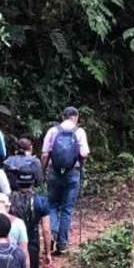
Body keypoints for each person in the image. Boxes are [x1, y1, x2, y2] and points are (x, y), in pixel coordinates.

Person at [41, 107, 89, 254]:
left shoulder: (53, 131)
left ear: (63, 116)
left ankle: (52, 236)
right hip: (72, 173)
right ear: (76, 117)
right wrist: (80, 166)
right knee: (67, 209)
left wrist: (43, 171)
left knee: (53, 205)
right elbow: (84, 153)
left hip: (54, 172)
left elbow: (44, 154)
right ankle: (62, 244)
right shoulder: (79, 132)